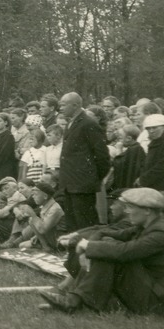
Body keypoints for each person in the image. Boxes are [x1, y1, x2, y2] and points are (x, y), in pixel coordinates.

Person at [39, 188, 164, 315]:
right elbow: (106, 232)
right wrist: (88, 247)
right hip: (148, 288)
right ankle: (72, 300)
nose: (127, 211)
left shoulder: (161, 232)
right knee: (106, 247)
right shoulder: (146, 226)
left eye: (131, 207)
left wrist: (89, 246)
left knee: (110, 252)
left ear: (147, 210)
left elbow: (125, 252)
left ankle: (72, 301)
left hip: (159, 301)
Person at [58, 92, 111, 231]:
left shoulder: (88, 123)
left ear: (75, 105)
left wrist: (92, 178)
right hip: (70, 184)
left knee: (84, 225)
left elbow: (103, 157)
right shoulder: (70, 123)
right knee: (72, 225)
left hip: (82, 185)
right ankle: (73, 252)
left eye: (63, 105)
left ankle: (85, 252)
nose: (60, 108)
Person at [136, 114, 164, 194]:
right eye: (148, 128)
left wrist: (143, 180)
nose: (151, 131)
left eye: (155, 127)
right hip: (152, 184)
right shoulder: (156, 141)